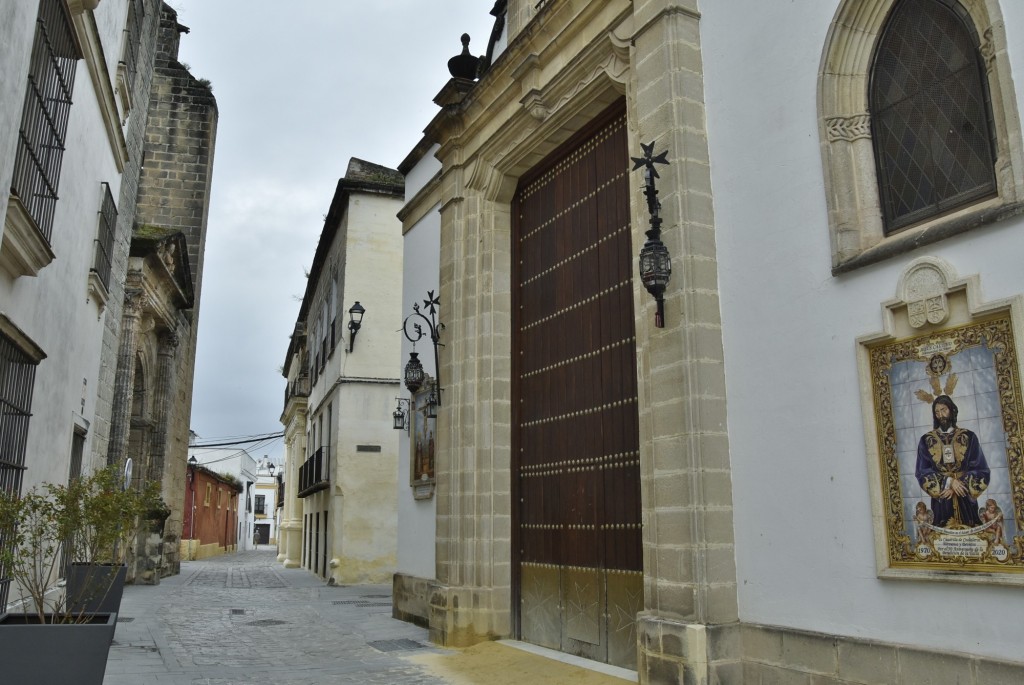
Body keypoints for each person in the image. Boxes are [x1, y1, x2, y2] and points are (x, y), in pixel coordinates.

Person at [915, 395, 990, 528]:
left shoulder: (969, 436)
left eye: (944, 410)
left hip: (964, 497)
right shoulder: (926, 440)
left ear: (952, 410)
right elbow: (922, 472)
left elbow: (981, 469)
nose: (941, 415)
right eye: (937, 412)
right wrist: (949, 482)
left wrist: (959, 485)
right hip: (943, 500)